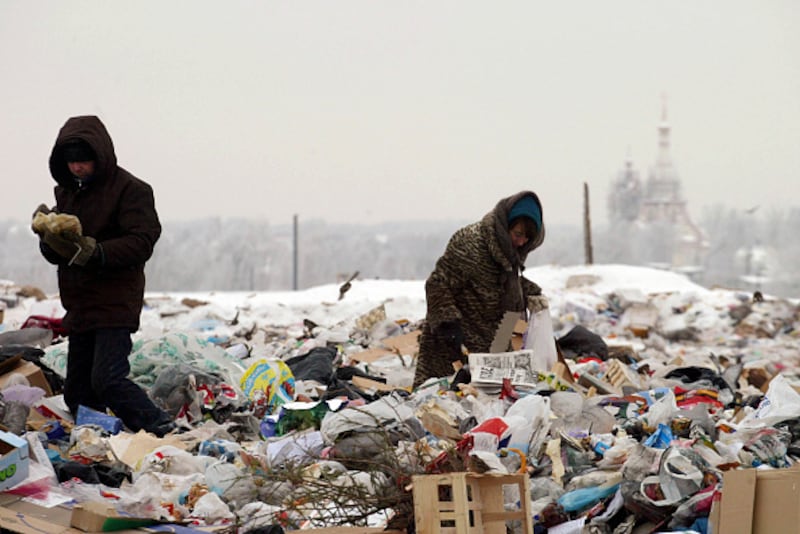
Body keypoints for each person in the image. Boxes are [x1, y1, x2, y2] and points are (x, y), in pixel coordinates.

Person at [32, 115, 176, 436]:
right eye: (71, 162)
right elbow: (62, 254)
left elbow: (142, 240)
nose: (78, 168)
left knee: (108, 379)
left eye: (83, 160)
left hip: (114, 302)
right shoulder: (68, 194)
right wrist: (49, 238)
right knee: (78, 393)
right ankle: (105, 440)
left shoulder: (131, 190)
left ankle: (163, 427)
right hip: (80, 304)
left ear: (100, 156)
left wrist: (97, 252)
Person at [413, 190, 547, 388]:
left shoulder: (509, 251)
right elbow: (438, 283)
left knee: (492, 403)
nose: (521, 242)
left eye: (527, 238)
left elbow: (500, 283)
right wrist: (447, 322)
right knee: (443, 401)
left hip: (493, 341)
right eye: (518, 234)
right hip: (456, 341)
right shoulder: (470, 244)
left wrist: (530, 292)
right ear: (504, 225)